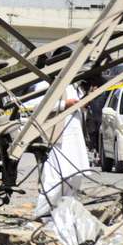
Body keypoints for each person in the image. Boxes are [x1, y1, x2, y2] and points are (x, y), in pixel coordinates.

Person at [31, 80, 92, 219]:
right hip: (59, 137)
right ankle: (43, 212)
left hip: (75, 136)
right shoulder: (45, 83)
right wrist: (65, 104)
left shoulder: (74, 84)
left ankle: (69, 212)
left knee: (75, 174)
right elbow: (37, 106)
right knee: (56, 176)